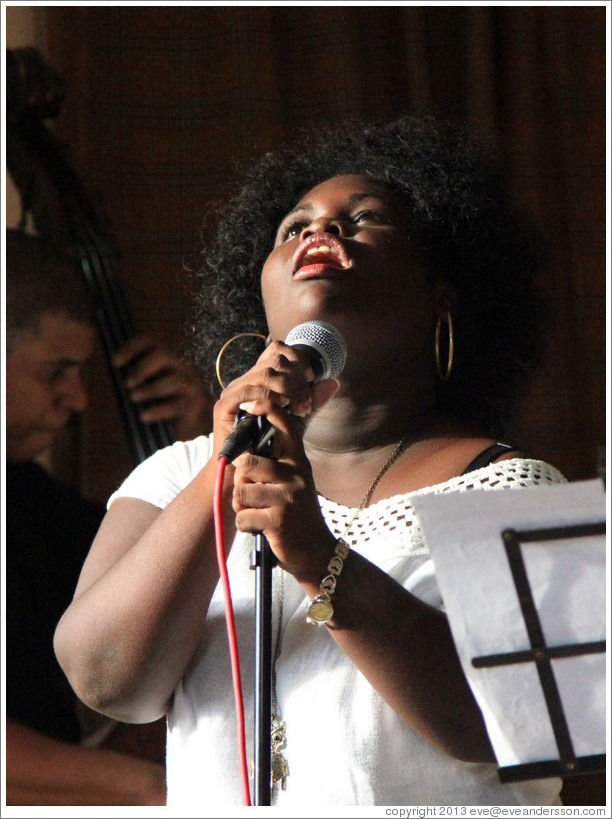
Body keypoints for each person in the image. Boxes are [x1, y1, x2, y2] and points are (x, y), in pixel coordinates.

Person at [54, 115, 568, 807]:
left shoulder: (520, 488)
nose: (321, 232)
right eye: (295, 227)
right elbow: (106, 680)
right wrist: (226, 469)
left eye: (365, 219)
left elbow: (528, 724)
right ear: (258, 298)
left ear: (440, 296)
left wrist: (318, 555)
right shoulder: (177, 475)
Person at [5, 227, 208, 805]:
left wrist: (194, 445)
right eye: (55, 371)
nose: (79, 398)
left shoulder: (29, 500)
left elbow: (155, 577)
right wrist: (150, 788)